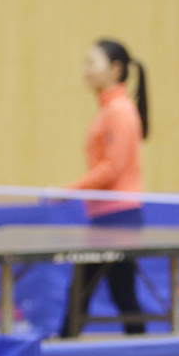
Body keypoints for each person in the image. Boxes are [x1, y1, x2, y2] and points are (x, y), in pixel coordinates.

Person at [62, 39, 150, 338]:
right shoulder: (108, 110)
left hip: (119, 218)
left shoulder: (119, 111)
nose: (85, 70)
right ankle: (139, 346)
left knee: (87, 290)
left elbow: (112, 168)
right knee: (111, 292)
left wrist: (69, 189)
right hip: (106, 216)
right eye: (84, 63)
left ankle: (63, 345)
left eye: (92, 63)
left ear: (115, 69)